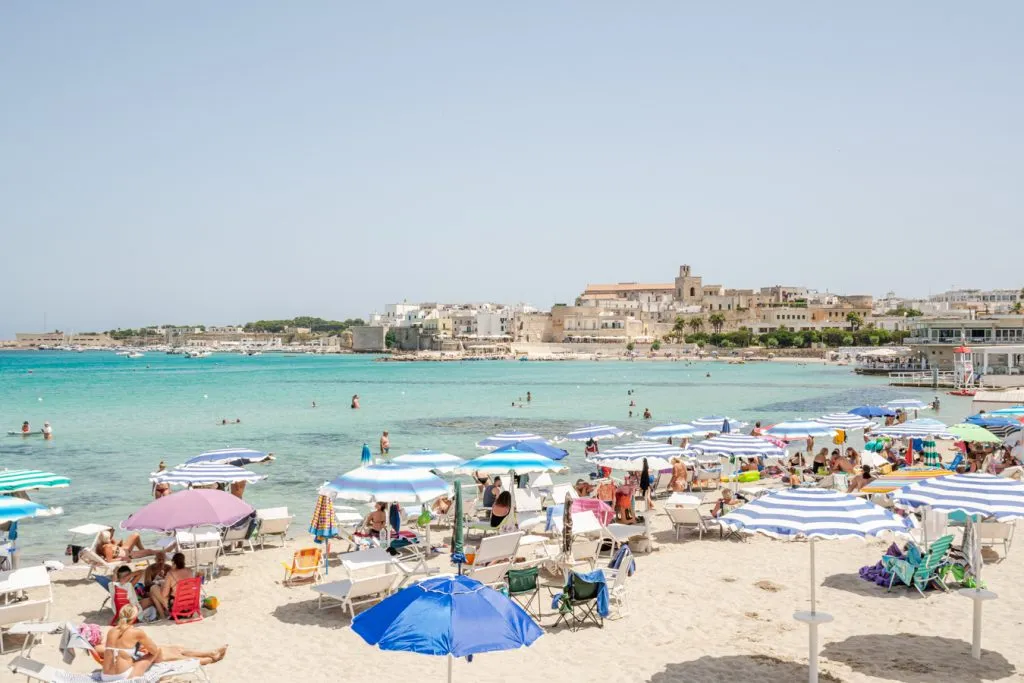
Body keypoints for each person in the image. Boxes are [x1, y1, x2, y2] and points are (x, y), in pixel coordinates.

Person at [102, 604, 227, 680]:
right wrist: (147, 650)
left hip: (106, 675)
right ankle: (209, 657)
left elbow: (119, 649)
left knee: (162, 650)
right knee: (159, 651)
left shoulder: (111, 631)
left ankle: (210, 653)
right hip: (124, 675)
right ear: (134, 617)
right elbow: (154, 650)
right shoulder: (136, 632)